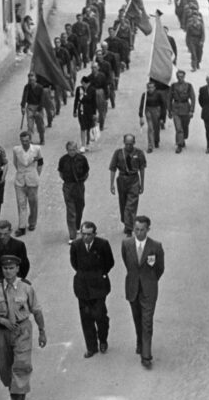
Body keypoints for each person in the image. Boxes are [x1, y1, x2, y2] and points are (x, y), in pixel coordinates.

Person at [0, 255, 47, 400]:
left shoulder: (26, 288)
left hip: (22, 330)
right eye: (5, 268)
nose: (8, 271)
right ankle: (13, 397)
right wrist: (2, 320)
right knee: (5, 368)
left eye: (11, 268)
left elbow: (37, 310)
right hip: (3, 332)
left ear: (18, 269)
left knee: (21, 366)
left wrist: (42, 331)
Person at [121, 216, 165, 369]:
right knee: (137, 318)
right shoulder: (127, 244)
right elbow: (127, 262)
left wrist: (150, 281)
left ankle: (146, 356)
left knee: (147, 321)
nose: (138, 233)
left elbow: (159, 269)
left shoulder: (156, 247)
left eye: (142, 230)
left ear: (148, 230)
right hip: (133, 287)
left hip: (149, 290)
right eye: (136, 229)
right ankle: (140, 342)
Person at [69, 221, 115, 358]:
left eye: (89, 234)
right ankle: (91, 347)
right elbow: (74, 263)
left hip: (99, 287)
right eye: (83, 234)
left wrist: (99, 274)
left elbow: (109, 262)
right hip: (82, 286)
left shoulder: (103, 244)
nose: (86, 237)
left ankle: (103, 339)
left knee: (100, 316)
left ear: (94, 234)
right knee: (86, 318)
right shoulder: (76, 245)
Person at [109, 135, 147, 237]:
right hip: (122, 180)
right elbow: (113, 168)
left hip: (134, 180)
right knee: (123, 204)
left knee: (131, 206)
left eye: (130, 144)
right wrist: (111, 184)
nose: (128, 146)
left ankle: (130, 228)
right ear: (124, 143)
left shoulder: (139, 153)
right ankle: (126, 223)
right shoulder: (118, 153)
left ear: (134, 143)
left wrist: (142, 184)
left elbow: (142, 169)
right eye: (126, 144)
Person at [12, 131, 44, 237]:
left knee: (33, 203)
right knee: (21, 204)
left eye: (26, 140)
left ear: (30, 140)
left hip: (32, 179)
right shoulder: (16, 150)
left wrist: (36, 174)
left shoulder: (36, 149)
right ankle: (22, 227)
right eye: (22, 141)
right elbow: (15, 163)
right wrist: (21, 172)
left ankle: (32, 222)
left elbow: (40, 162)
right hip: (20, 180)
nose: (25, 143)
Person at [58, 141, 90, 243]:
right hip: (68, 186)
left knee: (80, 206)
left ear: (76, 149)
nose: (72, 152)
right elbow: (61, 173)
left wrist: (81, 182)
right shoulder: (63, 160)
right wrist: (68, 182)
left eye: (74, 150)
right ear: (67, 150)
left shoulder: (82, 159)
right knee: (71, 210)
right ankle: (72, 235)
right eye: (70, 150)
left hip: (79, 185)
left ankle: (77, 226)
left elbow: (86, 172)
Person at [168, 70, 196, 153]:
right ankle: (179, 145)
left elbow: (193, 98)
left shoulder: (189, 86)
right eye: (178, 76)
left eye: (182, 76)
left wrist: (191, 110)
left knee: (185, 127)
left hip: (186, 109)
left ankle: (183, 139)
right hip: (176, 109)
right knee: (178, 128)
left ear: (184, 77)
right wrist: (169, 110)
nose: (180, 78)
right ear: (176, 77)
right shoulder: (173, 86)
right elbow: (169, 99)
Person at [139, 82, 169, 153]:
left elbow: (163, 106)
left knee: (156, 127)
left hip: (157, 111)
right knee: (150, 127)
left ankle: (156, 140)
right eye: (149, 87)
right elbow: (142, 106)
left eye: (152, 87)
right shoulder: (145, 95)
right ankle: (150, 145)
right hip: (148, 111)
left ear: (155, 88)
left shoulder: (159, 94)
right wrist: (141, 116)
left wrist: (162, 117)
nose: (150, 89)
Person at [20, 72, 46, 145]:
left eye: (32, 78)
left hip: (38, 108)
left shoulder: (40, 88)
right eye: (30, 78)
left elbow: (42, 100)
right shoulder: (27, 87)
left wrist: (39, 110)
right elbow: (24, 97)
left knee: (40, 125)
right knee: (30, 125)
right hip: (30, 107)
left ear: (36, 79)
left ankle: (42, 139)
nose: (31, 80)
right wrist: (22, 106)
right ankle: (29, 140)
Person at [73, 76, 97, 150]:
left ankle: (88, 143)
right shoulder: (79, 89)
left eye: (84, 83)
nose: (83, 85)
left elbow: (94, 102)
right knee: (83, 127)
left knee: (89, 127)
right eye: (82, 83)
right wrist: (74, 110)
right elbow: (76, 100)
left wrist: (94, 113)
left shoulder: (92, 90)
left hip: (89, 110)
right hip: (81, 109)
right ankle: (83, 145)